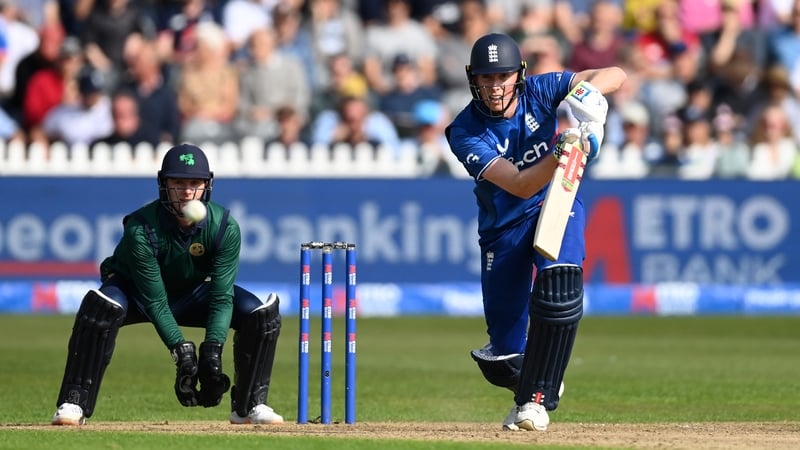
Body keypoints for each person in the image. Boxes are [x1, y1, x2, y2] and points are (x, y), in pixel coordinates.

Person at [444, 32, 626, 432]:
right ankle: (533, 381)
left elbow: (615, 73)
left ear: (519, 75)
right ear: (473, 78)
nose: (496, 87)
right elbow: (521, 183)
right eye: (487, 78)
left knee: (559, 285)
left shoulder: (540, 90)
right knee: (503, 359)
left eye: (504, 77)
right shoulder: (463, 131)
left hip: (555, 201)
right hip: (503, 229)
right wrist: (564, 149)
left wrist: (589, 97)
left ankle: (537, 399)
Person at [51, 144, 284, 426]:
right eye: (178, 183)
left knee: (260, 315)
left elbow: (222, 297)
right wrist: (181, 352)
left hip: (193, 291)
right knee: (101, 308)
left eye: (195, 183)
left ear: (207, 186)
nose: (187, 192)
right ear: (164, 185)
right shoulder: (141, 227)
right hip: (134, 291)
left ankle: (250, 406)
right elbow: (156, 301)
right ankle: (74, 401)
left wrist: (212, 350)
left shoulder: (224, 227)